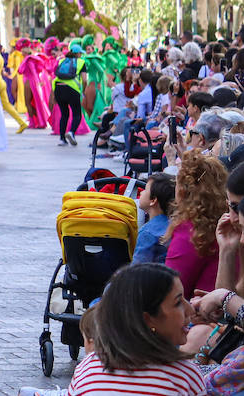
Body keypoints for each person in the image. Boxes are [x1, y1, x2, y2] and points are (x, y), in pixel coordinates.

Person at [67, 263, 205, 394]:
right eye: (178, 303)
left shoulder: (87, 367)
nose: (190, 309)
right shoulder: (184, 377)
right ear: (147, 320)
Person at [165, 150, 228, 298]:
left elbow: (170, 290)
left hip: (200, 313)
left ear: (182, 190)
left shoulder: (191, 231)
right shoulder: (227, 222)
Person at [134, 172, 175, 264]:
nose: (141, 192)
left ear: (153, 200)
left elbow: (138, 268)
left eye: (145, 189)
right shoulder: (174, 224)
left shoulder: (147, 232)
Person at [53, 43, 89, 146]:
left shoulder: (62, 60)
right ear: (77, 54)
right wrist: (83, 90)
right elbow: (85, 79)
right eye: (80, 53)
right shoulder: (81, 62)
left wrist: (54, 94)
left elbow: (56, 76)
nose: (81, 55)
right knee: (77, 114)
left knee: (64, 115)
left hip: (59, 88)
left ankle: (62, 139)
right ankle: (71, 132)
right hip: (72, 90)